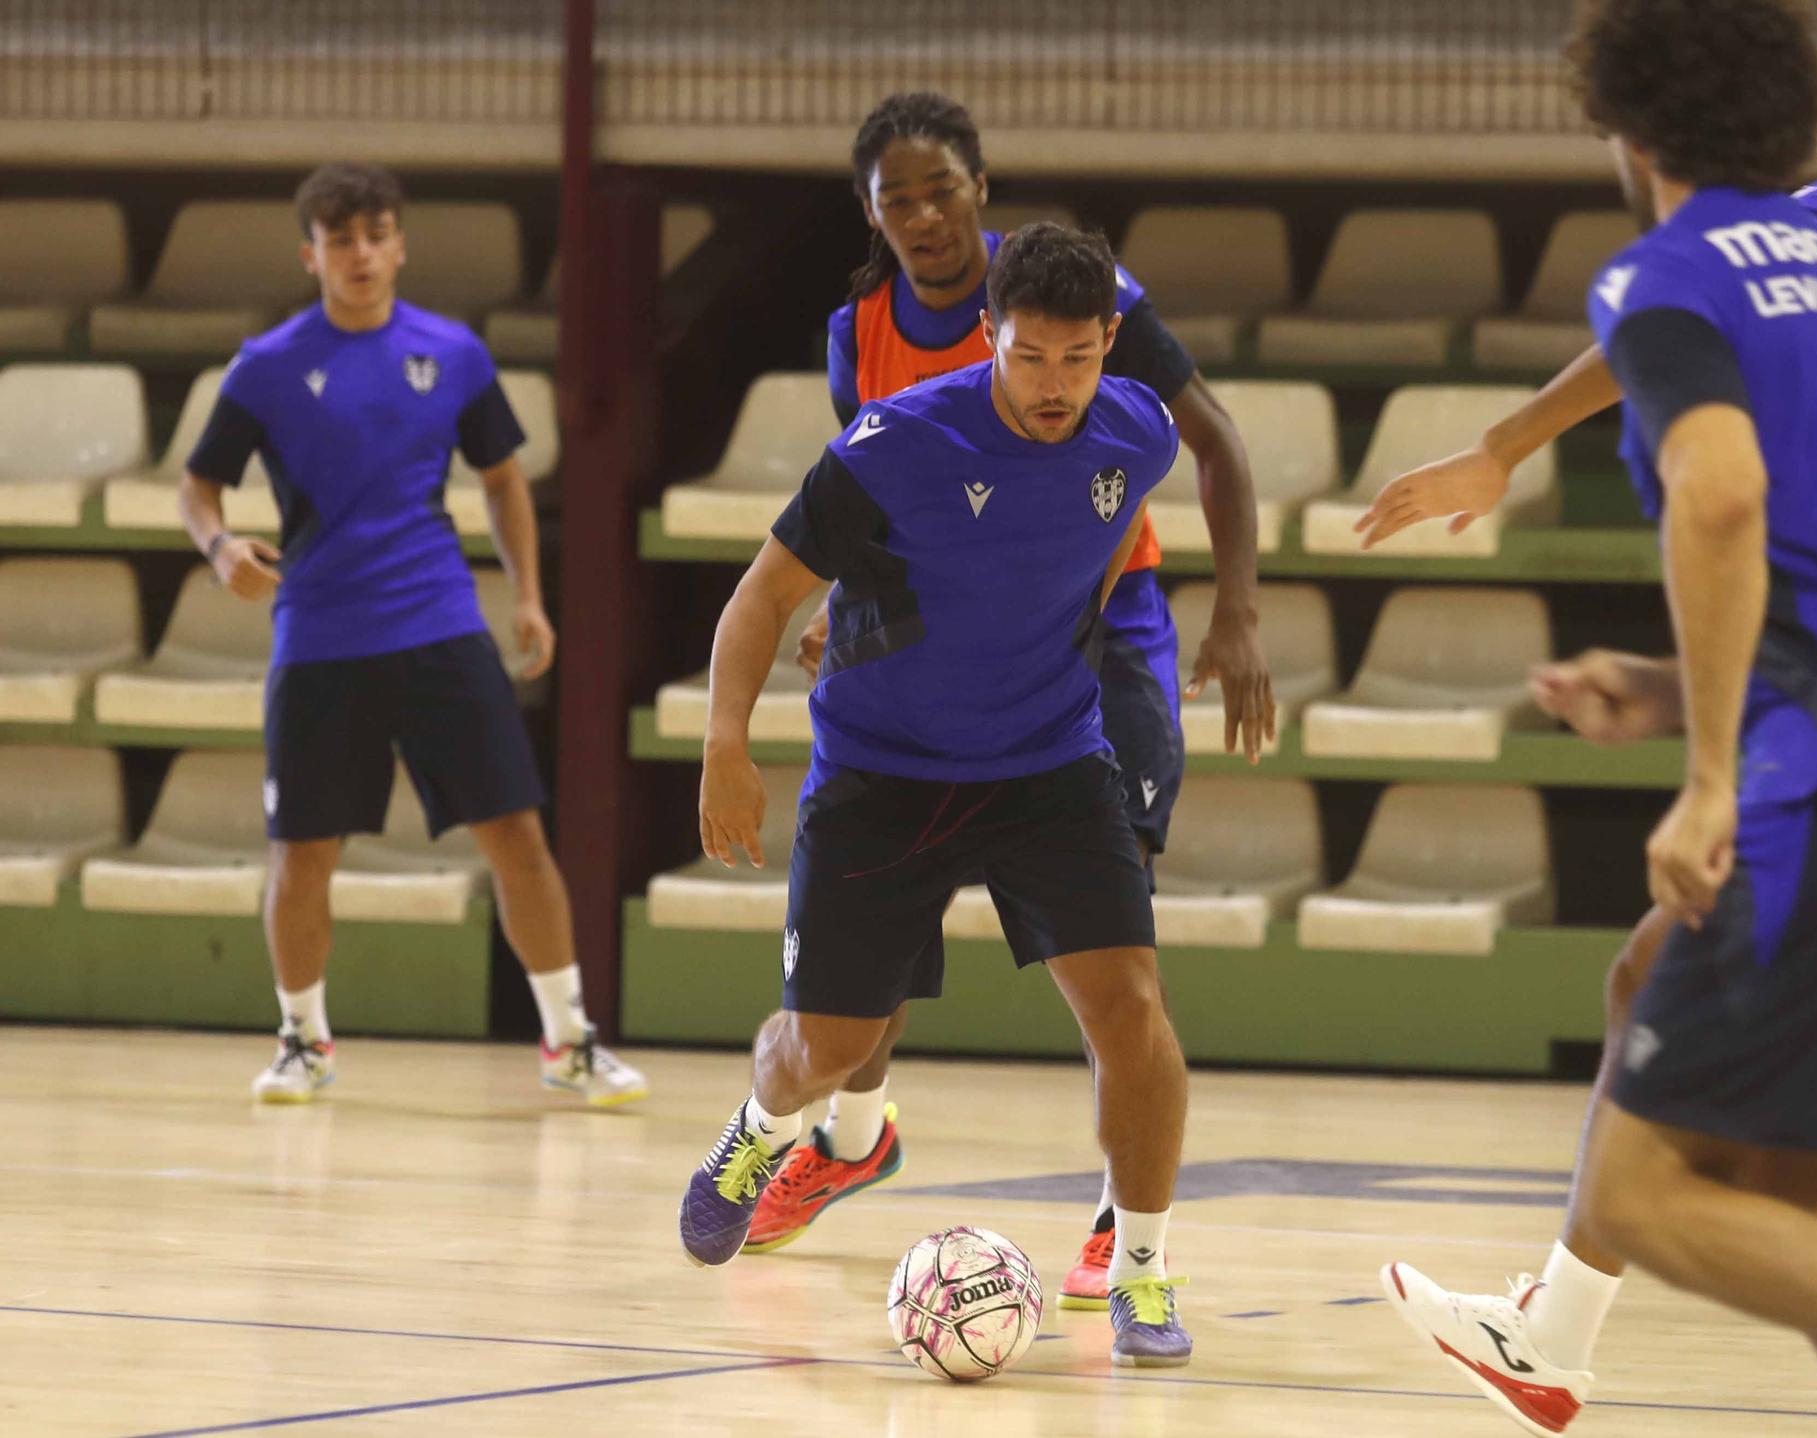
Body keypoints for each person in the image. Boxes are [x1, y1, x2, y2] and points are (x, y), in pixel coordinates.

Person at [1369, 4, 1817, 1433]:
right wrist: (1669, 689)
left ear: (1632, 137)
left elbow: (1724, 498)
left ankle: (1567, 1332)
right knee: (1806, 1229)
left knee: (1651, 1190)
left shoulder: (1691, 263)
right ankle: (1552, 1337)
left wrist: (1708, 772)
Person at [743, 91, 1273, 1312]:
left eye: (941, 188)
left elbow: (1214, 440)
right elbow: (873, 508)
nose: (922, 213)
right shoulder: (857, 333)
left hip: (1101, 628)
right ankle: (852, 1134)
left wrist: (1234, 611)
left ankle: (1120, 1226)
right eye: (896, 198)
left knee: (1114, 942)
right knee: (872, 947)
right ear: (870, 214)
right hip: (938, 645)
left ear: (981, 187)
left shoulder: (1087, 297)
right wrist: (843, 607)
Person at [678, 224, 1195, 1367]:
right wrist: (726, 744)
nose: (1053, 387)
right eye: (1027, 359)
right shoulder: (892, 445)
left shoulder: (1138, 432)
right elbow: (761, 600)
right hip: (881, 772)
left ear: (1111, 342)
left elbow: (1094, 547)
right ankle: (762, 1129)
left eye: (1077, 358)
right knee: (823, 1046)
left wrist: (1049, 645)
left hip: (1050, 763)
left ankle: (1144, 1271)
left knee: (1132, 1015)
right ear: (987, 338)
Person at [178, 162, 645, 1108]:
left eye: (376, 234)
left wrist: (528, 598)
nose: (360, 254)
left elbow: (505, 480)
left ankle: (569, 1041)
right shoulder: (265, 366)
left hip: (437, 624)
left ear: (400, 244)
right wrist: (219, 544)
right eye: (340, 239)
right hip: (317, 638)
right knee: (303, 853)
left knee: (516, 835)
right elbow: (198, 486)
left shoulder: (455, 353)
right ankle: (302, 1041)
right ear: (309, 252)